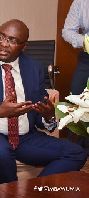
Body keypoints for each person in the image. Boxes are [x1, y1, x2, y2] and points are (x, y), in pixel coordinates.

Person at [0, 19, 87, 184]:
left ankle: (31, 193)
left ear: (24, 46)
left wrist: (48, 117)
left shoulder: (34, 68)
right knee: (1, 152)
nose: (3, 44)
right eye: (0, 37)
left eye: (12, 41)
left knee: (76, 153)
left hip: (23, 136)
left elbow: (39, 111)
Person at [62, 0, 89, 155]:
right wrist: (85, 42)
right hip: (87, 58)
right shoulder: (81, 2)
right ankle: (76, 154)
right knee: (76, 107)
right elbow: (67, 31)